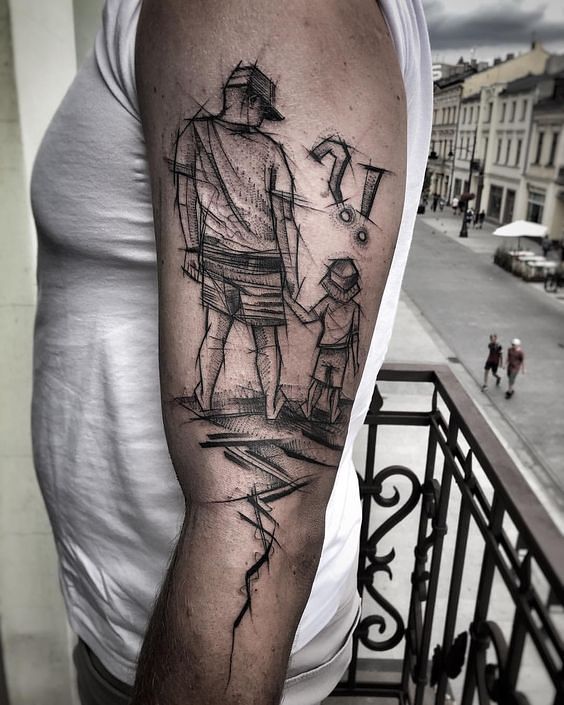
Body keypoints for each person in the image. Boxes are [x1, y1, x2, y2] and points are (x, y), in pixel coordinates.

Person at [30, 1, 432, 703]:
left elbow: (259, 528)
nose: (250, 109)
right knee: (223, 337)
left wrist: (285, 263)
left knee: (263, 344)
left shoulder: (262, 14)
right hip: (135, 623)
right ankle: (227, 397)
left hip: (201, 652)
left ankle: (265, 404)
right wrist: (198, 246)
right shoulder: (201, 130)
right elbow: (193, 199)